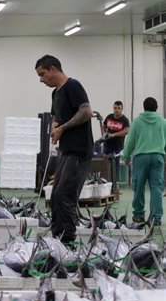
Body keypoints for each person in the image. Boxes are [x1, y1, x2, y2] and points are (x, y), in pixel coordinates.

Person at [35, 55, 94, 246]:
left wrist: (63, 128)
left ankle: (67, 241)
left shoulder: (73, 86)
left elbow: (86, 112)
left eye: (43, 74)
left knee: (65, 195)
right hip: (66, 151)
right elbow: (55, 116)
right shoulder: (56, 93)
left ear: (53, 69)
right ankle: (57, 237)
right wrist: (54, 127)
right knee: (55, 194)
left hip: (79, 150)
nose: (41, 80)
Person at [122, 97, 166, 226]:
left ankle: (139, 216)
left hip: (141, 157)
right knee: (157, 188)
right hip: (158, 157)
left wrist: (126, 156)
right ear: (156, 107)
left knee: (138, 187)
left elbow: (130, 141)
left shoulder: (137, 122)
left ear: (144, 107)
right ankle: (156, 218)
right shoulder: (163, 122)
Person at [98, 101, 130, 194]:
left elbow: (126, 130)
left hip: (117, 148)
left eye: (119, 108)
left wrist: (114, 135)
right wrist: (104, 133)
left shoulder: (124, 120)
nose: (116, 110)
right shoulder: (109, 117)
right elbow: (103, 125)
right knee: (105, 166)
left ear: (122, 109)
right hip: (107, 146)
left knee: (115, 167)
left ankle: (114, 187)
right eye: (115, 108)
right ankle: (105, 185)